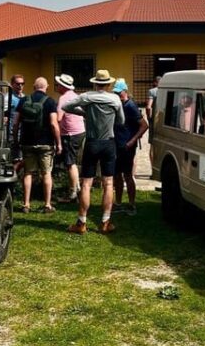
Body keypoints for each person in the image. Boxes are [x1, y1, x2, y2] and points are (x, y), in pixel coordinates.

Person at [62, 69, 124, 234]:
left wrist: (85, 113)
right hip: (108, 143)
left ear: (95, 83)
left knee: (87, 183)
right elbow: (121, 120)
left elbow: (66, 106)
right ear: (109, 84)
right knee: (108, 183)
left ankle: (81, 223)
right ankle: (105, 222)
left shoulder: (87, 96)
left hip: (92, 143)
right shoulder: (115, 99)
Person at [14, 77, 62, 213]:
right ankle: (47, 204)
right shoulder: (50, 101)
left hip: (27, 142)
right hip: (45, 143)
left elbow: (16, 122)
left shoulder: (23, 100)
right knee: (46, 173)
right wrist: (58, 143)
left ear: (34, 87)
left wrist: (16, 139)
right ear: (46, 87)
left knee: (28, 173)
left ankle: (26, 204)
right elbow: (53, 123)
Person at [112, 78, 148, 216]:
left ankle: (132, 205)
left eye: (119, 92)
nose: (117, 95)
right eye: (115, 92)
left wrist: (132, 141)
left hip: (127, 146)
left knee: (127, 175)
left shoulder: (130, 106)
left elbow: (144, 125)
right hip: (117, 144)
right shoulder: (118, 105)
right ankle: (119, 203)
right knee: (117, 175)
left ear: (125, 91)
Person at [54, 73, 85, 204]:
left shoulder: (63, 98)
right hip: (80, 131)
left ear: (62, 86)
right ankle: (77, 187)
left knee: (70, 163)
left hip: (70, 134)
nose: (57, 86)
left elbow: (59, 118)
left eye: (58, 84)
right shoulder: (76, 96)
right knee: (73, 161)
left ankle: (73, 193)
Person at [6, 74, 25, 167]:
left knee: (22, 158)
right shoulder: (8, 98)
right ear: (12, 84)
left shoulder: (24, 97)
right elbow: (1, 115)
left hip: (23, 132)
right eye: (17, 84)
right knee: (14, 158)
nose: (20, 86)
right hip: (11, 133)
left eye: (22, 83)